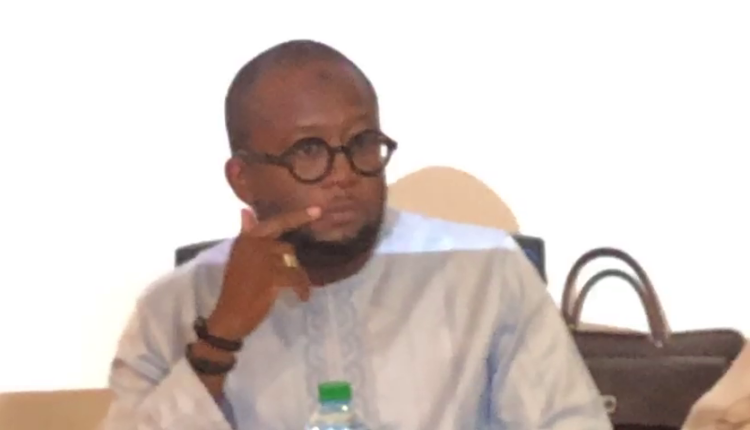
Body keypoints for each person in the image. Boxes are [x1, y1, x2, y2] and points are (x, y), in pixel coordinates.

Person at [99, 39, 612, 429]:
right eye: (308, 151)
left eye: (362, 143)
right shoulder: (173, 308)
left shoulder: (488, 273)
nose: (343, 174)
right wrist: (221, 335)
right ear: (243, 178)